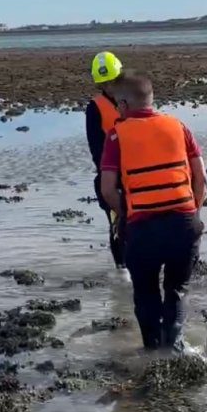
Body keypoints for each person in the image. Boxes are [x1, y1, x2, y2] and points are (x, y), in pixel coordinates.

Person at [99, 74, 207, 351]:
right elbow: (201, 177)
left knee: (145, 293)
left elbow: (108, 189)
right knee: (176, 290)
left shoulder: (116, 134)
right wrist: (192, 211)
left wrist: (127, 215)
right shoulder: (178, 126)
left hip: (143, 229)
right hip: (184, 225)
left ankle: (151, 353)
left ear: (123, 104)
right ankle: (174, 348)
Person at [86, 51, 127, 269]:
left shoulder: (133, 98)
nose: (110, 86)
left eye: (113, 81)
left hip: (137, 174)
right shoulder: (94, 108)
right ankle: (122, 272)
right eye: (105, 83)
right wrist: (111, 179)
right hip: (111, 178)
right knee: (117, 223)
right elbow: (96, 149)